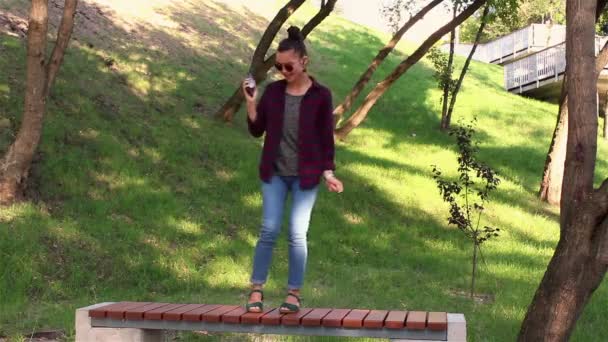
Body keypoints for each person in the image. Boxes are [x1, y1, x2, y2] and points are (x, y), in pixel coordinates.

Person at [242, 26, 343, 314]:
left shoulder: (321, 95)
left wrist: (329, 173)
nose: (284, 71)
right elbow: (257, 129)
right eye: (279, 67)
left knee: (298, 233)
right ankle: (256, 290)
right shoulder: (273, 92)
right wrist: (251, 103)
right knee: (269, 228)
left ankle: (294, 294)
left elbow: (326, 136)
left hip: (306, 175)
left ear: (304, 62)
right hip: (274, 173)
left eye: (289, 66)